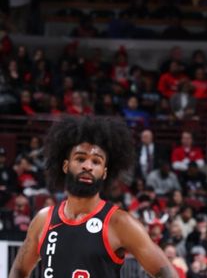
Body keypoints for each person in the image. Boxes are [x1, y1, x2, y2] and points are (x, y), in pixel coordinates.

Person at [9, 116, 176, 278]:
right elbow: (19, 270)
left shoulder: (120, 223)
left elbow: (166, 273)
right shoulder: (43, 220)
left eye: (96, 162)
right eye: (80, 158)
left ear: (104, 173)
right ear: (66, 166)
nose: (87, 166)